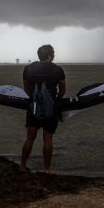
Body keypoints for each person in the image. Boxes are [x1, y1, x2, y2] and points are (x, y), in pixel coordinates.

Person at [21, 44, 66, 174]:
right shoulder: (58, 70)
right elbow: (62, 90)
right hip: (51, 108)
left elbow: (26, 88)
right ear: (49, 55)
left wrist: (33, 99)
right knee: (47, 138)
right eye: (53, 53)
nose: (55, 56)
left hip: (33, 106)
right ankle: (47, 169)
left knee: (30, 137)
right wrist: (55, 100)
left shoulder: (28, 69)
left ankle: (23, 166)